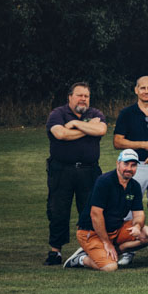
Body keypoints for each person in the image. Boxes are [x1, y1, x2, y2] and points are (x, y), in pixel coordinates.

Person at [44, 82, 107, 265]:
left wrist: (74, 125)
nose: (83, 99)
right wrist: (87, 129)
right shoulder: (58, 114)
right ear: (70, 97)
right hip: (62, 170)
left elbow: (101, 129)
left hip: (89, 171)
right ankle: (55, 251)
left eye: (86, 96)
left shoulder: (96, 114)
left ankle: (88, 248)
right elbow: (61, 134)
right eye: (79, 95)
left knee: (89, 210)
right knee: (58, 210)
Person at [63, 150, 148, 271]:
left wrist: (137, 226)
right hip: (92, 232)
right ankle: (80, 259)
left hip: (116, 229)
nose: (129, 168)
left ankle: (112, 252)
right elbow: (96, 215)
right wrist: (106, 242)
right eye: (126, 164)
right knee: (110, 267)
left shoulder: (134, 185)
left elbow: (139, 214)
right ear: (118, 164)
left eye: (133, 165)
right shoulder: (104, 181)